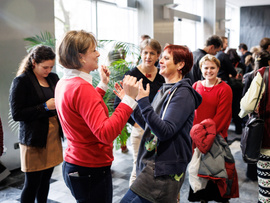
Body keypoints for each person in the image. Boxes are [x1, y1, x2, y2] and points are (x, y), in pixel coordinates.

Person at [55, 30, 139, 203]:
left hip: (75, 163)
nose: (98, 53)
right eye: (93, 50)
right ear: (81, 57)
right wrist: (129, 100)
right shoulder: (82, 88)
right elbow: (105, 133)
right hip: (90, 168)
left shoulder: (64, 82)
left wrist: (102, 86)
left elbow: (81, 109)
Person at [116, 44, 202, 203]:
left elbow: (165, 131)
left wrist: (142, 101)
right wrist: (130, 103)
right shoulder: (166, 89)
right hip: (152, 164)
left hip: (164, 169)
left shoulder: (183, 93)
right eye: (161, 57)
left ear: (180, 65)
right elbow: (150, 126)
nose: (160, 61)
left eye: (166, 58)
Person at [9, 45, 63, 203]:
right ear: (34, 62)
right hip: (34, 139)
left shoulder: (53, 78)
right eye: (45, 67)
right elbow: (17, 114)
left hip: (52, 135)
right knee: (32, 183)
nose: (48, 70)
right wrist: (45, 106)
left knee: (46, 181)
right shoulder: (22, 81)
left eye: (51, 67)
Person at [114, 38, 165, 186]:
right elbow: (120, 102)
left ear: (158, 56)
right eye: (145, 53)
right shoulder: (132, 75)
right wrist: (135, 123)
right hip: (140, 130)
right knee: (139, 169)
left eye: (152, 53)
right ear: (141, 54)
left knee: (158, 168)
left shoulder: (162, 75)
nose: (148, 56)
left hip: (159, 128)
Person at [188, 54, 237, 202]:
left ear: (218, 69)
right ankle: (203, 199)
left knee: (216, 172)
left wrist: (203, 134)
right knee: (198, 171)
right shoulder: (196, 86)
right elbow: (191, 113)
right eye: (206, 68)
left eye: (212, 68)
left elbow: (222, 117)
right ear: (201, 69)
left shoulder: (225, 88)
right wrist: (196, 134)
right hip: (197, 138)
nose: (209, 71)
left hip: (215, 137)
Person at [239, 61, 270, 203]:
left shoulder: (265, 74)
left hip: (266, 143)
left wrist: (243, 113)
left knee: (266, 194)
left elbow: (247, 105)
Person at [226, 48, 245, 134]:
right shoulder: (241, 64)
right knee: (238, 107)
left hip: (230, 88)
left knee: (230, 107)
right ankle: (238, 128)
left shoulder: (227, 63)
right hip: (240, 88)